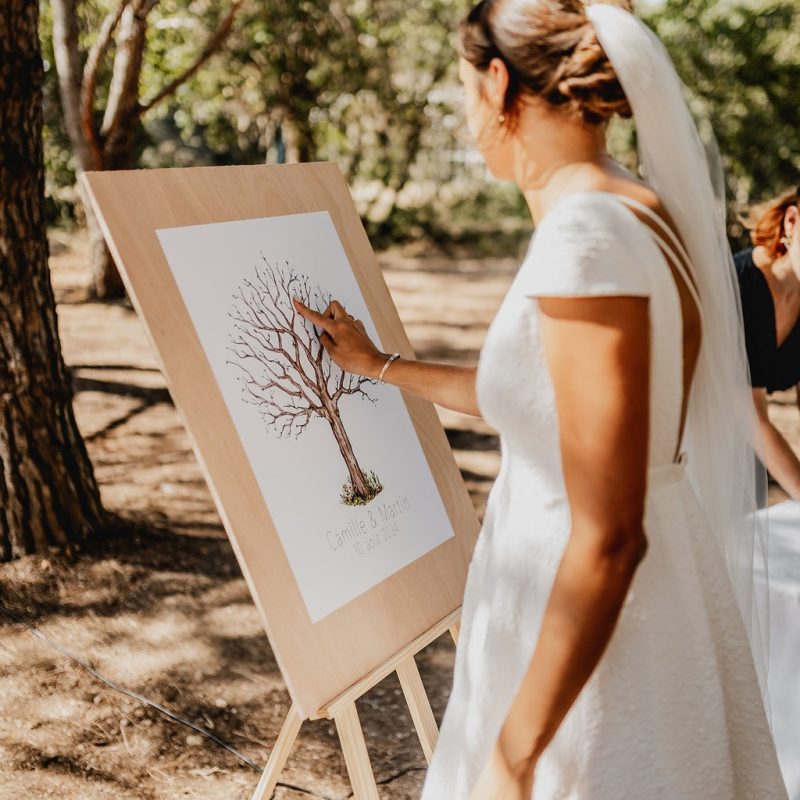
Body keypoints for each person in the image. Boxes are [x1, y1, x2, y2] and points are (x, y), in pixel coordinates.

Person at [294, 1, 786, 797]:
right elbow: (560, 410)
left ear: (499, 82)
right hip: (624, 594)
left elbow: (610, 534)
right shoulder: (637, 208)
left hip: (602, 630)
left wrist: (516, 753)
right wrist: (377, 364)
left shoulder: (584, 237)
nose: (465, 118)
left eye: (463, 91)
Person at [735, 187, 800, 500]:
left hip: (755, 461)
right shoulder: (740, 284)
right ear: (791, 221)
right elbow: (752, 417)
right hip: (695, 444)